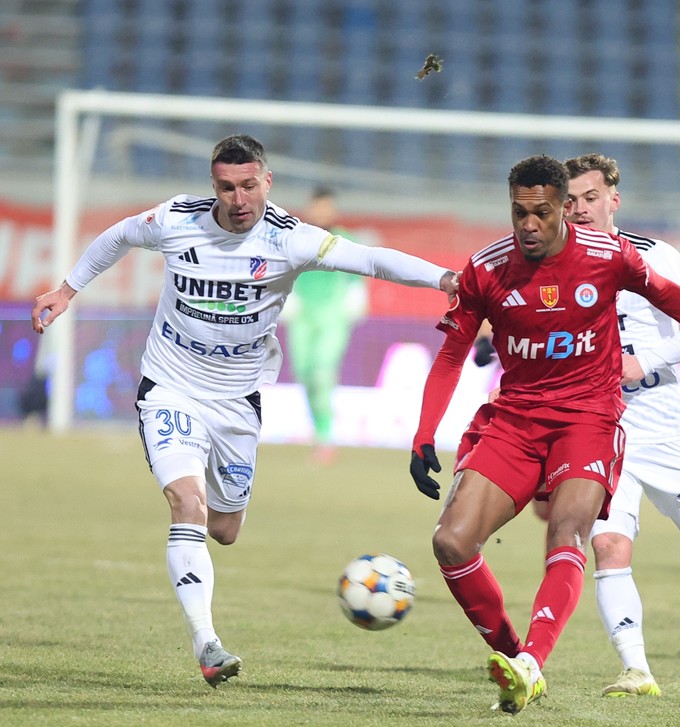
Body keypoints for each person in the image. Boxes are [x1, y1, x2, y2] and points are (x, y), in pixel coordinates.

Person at [31, 134, 458, 688]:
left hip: (237, 401)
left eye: (249, 185)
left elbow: (371, 260)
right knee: (188, 503)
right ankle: (207, 642)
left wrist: (445, 279)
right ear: (214, 185)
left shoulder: (291, 240)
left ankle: (209, 541)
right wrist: (67, 290)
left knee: (226, 528)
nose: (238, 199)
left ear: (267, 182)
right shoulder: (175, 221)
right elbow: (117, 237)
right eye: (227, 187)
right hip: (171, 386)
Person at [408, 154, 680, 714]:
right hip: (517, 419)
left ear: (565, 208)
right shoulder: (487, 268)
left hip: (591, 418)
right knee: (450, 542)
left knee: (574, 534)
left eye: (542, 212)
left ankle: (533, 662)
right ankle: (520, 658)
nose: (529, 225)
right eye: (518, 213)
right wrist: (423, 435)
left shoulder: (612, 257)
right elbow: (451, 354)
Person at [564, 152, 680, 698]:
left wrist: (641, 362)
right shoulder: (552, 264)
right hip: (598, 425)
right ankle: (635, 668)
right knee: (608, 546)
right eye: (571, 201)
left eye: (591, 198)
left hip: (663, 422)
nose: (580, 210)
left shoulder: (654, 256)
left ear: (613, 200)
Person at [285, 186, 366, 465]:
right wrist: (287, 298)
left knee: (322, 372)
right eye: (317, 207)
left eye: (326, 207)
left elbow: (358, 275)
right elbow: (285, 271)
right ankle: (318, 430)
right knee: (305, 374)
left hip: (333, 315)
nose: (321, 213)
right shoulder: (297, 239)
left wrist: (356, 298)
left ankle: (326, 436)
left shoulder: (346, 240)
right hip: (302, 317)